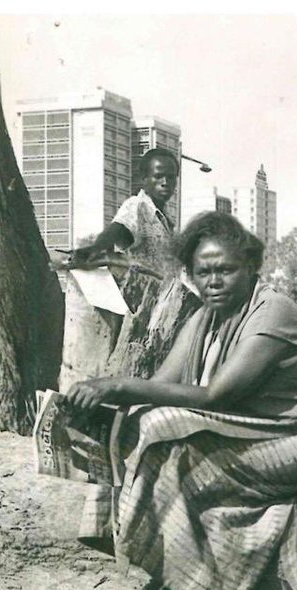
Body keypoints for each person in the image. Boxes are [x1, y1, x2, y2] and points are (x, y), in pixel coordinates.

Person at [65, 212, 297, 590]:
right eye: (203, 272)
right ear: (191, 275)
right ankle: (127, 544)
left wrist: (117, 387)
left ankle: (192, 586)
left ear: (251, 268)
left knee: (191, 463)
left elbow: (217, 395)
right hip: (264, 432)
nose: (214, 281)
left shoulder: (272, 311)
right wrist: (112, 401)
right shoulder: (205, 318)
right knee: (143, 424)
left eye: (226, 270)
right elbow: (160, 384)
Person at [54, 148, 201, 553]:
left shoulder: (165, 219)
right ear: (143, 177)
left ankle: (130, 518)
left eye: (171, 176)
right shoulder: (137, 208)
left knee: (141, 421)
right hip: (138, 331)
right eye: (158, 176)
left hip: (159, 327)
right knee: (123, 420)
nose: (165, 183)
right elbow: (116, 234)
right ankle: (104, 521)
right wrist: (97, 252)